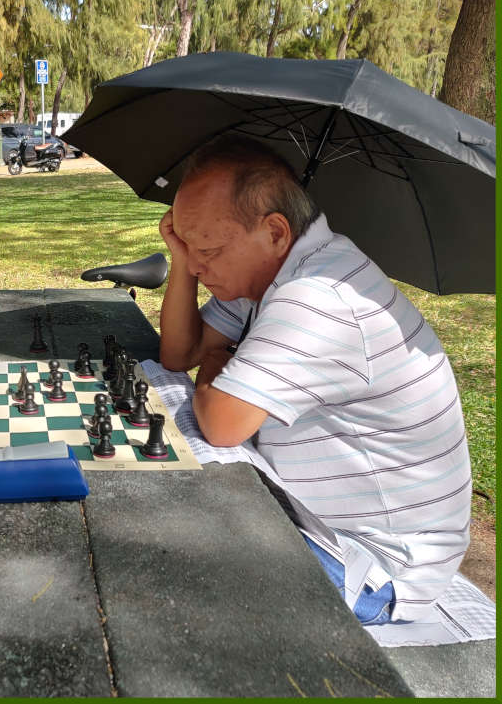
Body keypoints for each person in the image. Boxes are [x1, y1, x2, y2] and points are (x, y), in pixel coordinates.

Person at [158, 135, 471, 626]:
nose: (200, 266)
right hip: (336, 528)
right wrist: (183, 262)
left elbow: (221, 422)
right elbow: (180, 353)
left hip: (371, 566)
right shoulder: (268, 272)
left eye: (210, 250)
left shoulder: (318, 295)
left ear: (276, 233)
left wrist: (219, 361)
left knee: (163, 537)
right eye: (188, 248)